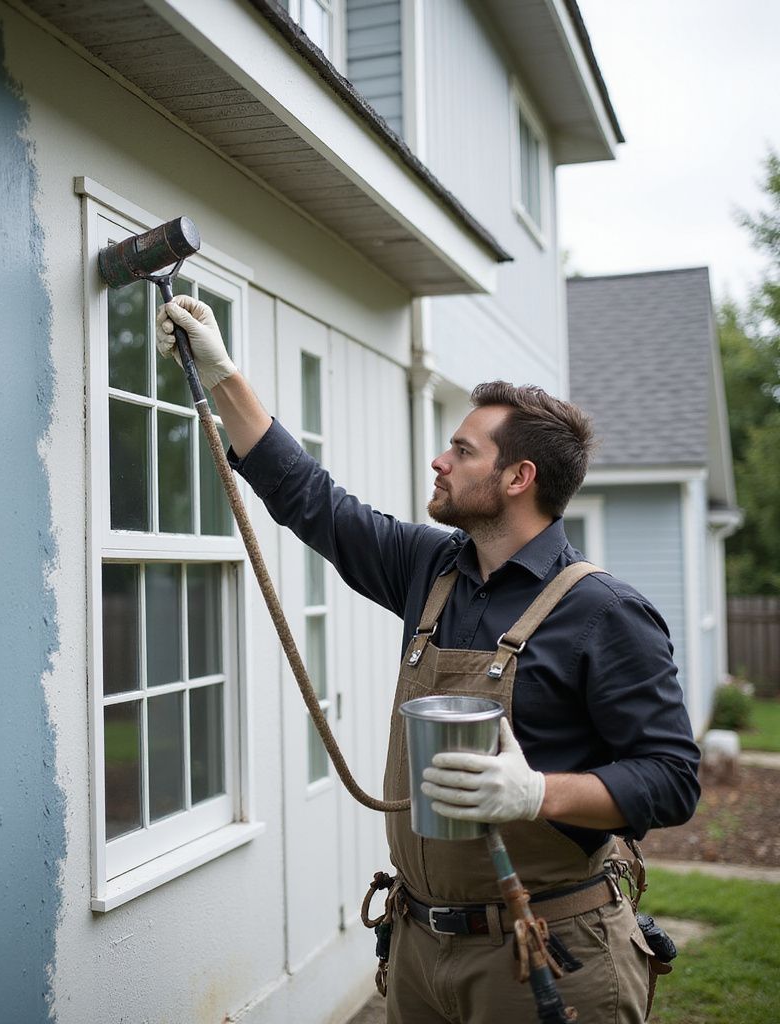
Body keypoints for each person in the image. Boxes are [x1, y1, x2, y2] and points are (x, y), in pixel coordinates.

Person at [156, 295, 700, 1024]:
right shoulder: (432, 567)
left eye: (463, 451)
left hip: (550, 955)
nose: (440, 461)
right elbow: (310, 498)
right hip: (418, 950)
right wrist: (224, 373)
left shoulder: (605, 612)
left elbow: (670, 781)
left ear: (518, 478)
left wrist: (536, 794)